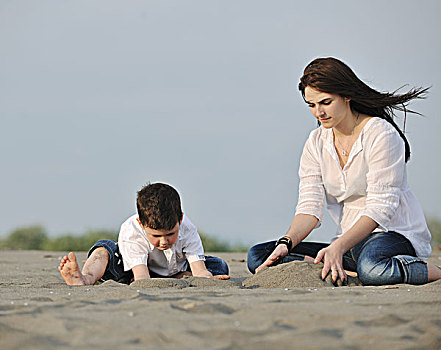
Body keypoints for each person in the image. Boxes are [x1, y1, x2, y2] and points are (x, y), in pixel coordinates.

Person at [247, 57, 441, 286]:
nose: (318, 112)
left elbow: (381, 209)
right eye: (311, 105)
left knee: (372, 269)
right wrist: (286, 243)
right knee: (259, 256)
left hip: (392, 234)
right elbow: (309, 207)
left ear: (346, 96)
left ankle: (434, 272)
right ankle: (342, 267)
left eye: (326, 102)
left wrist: (338, 247)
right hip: (349, 242)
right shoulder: (316, 142)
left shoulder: (381, 134)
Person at [59, 183, 229, 285]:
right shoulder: (131, 231)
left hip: (175, 268)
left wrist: (206, 277)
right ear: (142, 224)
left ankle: (179, 276)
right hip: (134, 270)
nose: (164, 242)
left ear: (180, 219)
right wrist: (142, 280)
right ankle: (85, 278)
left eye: (170, 234)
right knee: (105, 248)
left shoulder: (187, 229)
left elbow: (200, 270)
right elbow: (142, 277)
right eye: (156, 236)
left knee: (219, 266)